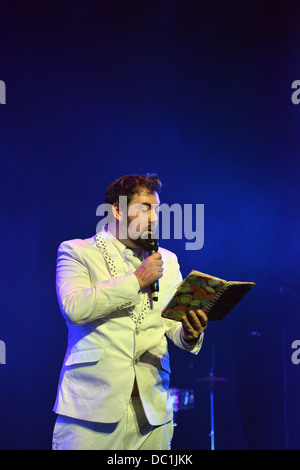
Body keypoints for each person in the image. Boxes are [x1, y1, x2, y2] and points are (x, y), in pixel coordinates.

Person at [52, 174, 207, 450]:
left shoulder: (167, 261)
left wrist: (189, 334)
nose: (154, 217)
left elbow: (172, 325)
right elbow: (74, 307)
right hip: (91, 410)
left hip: (152, 412)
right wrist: (137, 280)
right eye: (145, 208)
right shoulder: (77, 251)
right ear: (117, 209)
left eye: (157, 209)